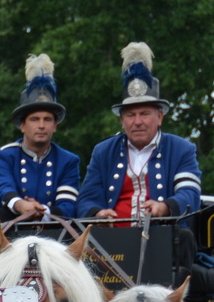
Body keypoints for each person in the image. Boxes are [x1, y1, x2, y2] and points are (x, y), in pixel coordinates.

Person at [79, 43, 202, 224]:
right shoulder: (103, 151)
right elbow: (86, 200)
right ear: (122, 121)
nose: (137, 122)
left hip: (164, 241)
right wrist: (97, 214)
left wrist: (165, 207)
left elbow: (190, 194)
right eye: (130, 115)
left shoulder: (181, 149)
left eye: (144, 114)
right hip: (111, 245)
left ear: (159, 117)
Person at [0, 54, 81, 221]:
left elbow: (68, 207)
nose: (41, 125)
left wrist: (40, 210)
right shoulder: (3, 155)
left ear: (55, 126)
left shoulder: (68, 161)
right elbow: (1, 189)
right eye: (34, 119)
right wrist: (21, 205)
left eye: (47, 119)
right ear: (22, 125)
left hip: (54, 235)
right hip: (12, 231)